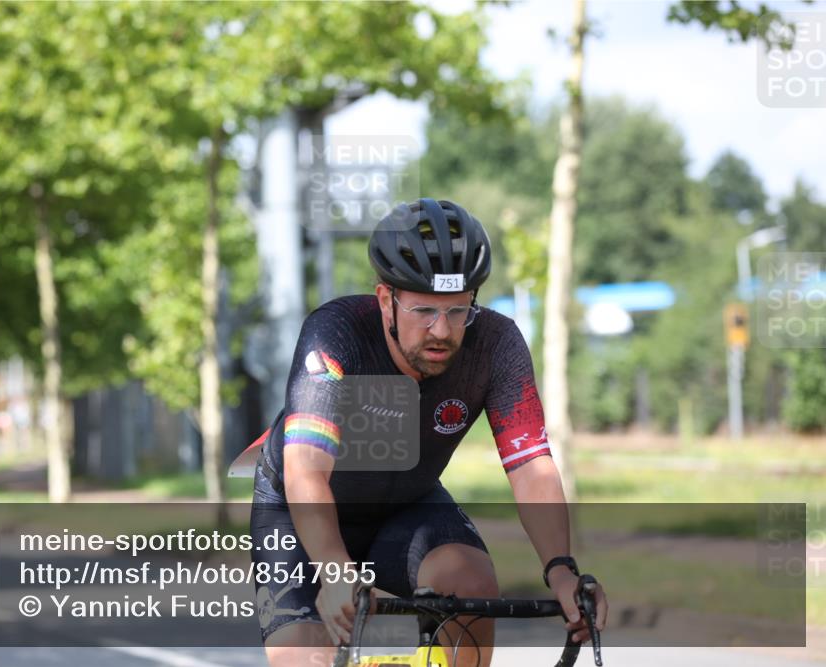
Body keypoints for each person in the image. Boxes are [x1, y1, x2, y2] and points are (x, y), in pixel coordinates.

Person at [248, 198, 607, 666]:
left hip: (407, 503)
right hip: (299, 513)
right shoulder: (336, 335)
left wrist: (561, 570)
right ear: (385, 301)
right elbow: (306, 472)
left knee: (471, 579)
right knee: (306, 657)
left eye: (459, 310)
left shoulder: (497, 345)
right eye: (424, 310)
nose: (442, 330)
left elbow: (531, 465)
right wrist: (334, 570)